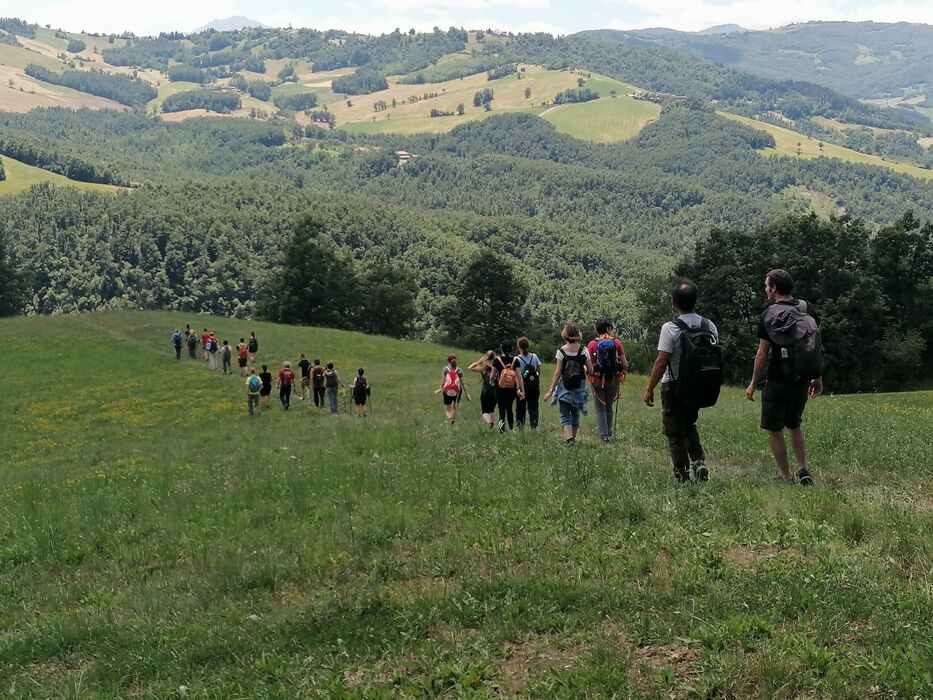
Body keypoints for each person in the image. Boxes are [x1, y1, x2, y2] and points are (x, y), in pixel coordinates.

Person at [746, 269, 823, 485]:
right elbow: (814, 346)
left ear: (774, 288)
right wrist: (816, 377)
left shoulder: (769, 314)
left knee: (774, 429)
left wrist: (753, 383)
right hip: (802, 380)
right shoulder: (807, 308)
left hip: (778, 379)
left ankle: (786, 476)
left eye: (766, 285)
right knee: (794, 424)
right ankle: (803, 469)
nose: (765, 289)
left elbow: (762, 353)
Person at [643, 278, 719, 484]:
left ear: (673, 303)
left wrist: (649, 388)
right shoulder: (709, 325)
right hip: (700, 385)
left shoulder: (671, 327)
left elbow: (661, 361)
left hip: (674, 385)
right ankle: (698, 461)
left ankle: (682, 475)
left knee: (674, 431)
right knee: (689, 422)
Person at [543, 324, 594, 446]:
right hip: (579, 386)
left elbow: (558, 372)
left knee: (565, 413)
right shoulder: (584, 350)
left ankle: (569, 439)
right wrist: (585, 368)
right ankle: (573, 439)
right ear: (578, 335)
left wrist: (551, 390)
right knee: (575, 413)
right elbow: (591, 370)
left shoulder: (561, 351)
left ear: (565, 335)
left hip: (564, 387)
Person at [587, 320, 629, 443]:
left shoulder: (592, 344)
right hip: (613, 378)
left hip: (597, 379)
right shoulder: (616, 342)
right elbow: (625, 364)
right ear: (608, 329)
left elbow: (588, 365)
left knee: (600, 407)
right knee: (609, 405)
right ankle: (609, 433)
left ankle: (604, 436)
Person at [492, 341, 523, 432]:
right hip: (511, 388)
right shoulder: (515, 360)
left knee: (501, 408)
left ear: (502, 349)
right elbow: (519, 376)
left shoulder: (497, 360)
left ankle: (501, 428)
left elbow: (492, 375)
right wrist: (520, 388)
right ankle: (511, 427)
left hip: (500, 388)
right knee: (509, 408)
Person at [514, 337, 542, 430]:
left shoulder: (516, 359)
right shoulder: (534, 356)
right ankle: (534, 425)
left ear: (518, 347)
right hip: (534, 387)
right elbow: (538, 371)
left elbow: (517, 376)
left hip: (523, 387)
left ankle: (520, 426)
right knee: (533, 407)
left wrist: (518, 388)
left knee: (521, 408)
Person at [468, 350, 499, 428]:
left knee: (485, 412)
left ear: (487, 357)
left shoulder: (484, 368)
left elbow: (470, 368)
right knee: (492, 410)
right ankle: (492, 425)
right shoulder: (497, 368)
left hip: (486, 392)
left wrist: (480, 361)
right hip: (495, 392)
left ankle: (489, 422)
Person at [439, 355, 469, 424]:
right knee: (454, 406)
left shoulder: (445, 369)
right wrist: (467, 393)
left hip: (447, 391)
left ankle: (450, 418)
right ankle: (453, 420)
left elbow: (443, 382)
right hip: (457, 391)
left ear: (448, 361)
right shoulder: (459, 370)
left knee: (447, 408)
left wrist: (441, 387)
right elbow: (463, 383)